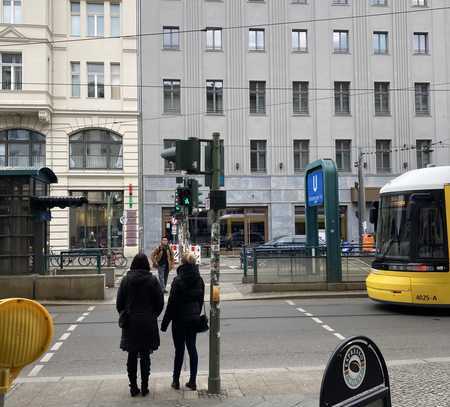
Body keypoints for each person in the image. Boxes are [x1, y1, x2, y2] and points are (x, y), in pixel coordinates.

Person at [116, 253, 164, 397]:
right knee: (145, 355)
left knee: (131, 355)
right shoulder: (153, 280)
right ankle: (144, 386)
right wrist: (153, 314)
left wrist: (125, 312)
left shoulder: (126, 281)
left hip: (130, 323)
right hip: (148, 322)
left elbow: (119, 304)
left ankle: (133, 387)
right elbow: (160, 303)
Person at [161, 252, 205, 391]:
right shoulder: (199, 280)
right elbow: (200, 300)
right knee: (192, 348)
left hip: (179, 320)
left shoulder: (178, 280)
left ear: (183, 264)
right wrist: (196, 314)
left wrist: (165, 323)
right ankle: (192, 381)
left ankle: (175, 381)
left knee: (179, 350)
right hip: (193, 319)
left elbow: (171, 304)